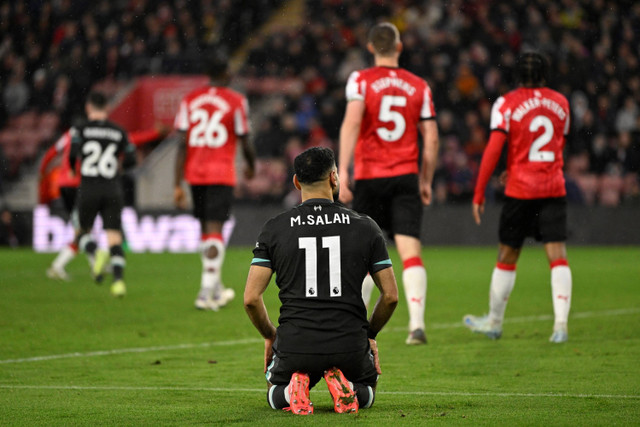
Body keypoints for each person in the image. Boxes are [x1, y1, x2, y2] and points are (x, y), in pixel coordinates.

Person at [244, 147, 398, 415]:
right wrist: (369, 335)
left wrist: (270, 335)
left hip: (295, 344)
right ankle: (349, 386)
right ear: (334, 178)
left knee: (273, 390)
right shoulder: (365, 227)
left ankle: (292, 390)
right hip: (349, 343)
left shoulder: (275, 228)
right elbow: (390, 296)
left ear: (295, 182)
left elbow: (251, 298)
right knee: (368, 388)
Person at [338, 22, 439, 345]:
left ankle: (356, 325)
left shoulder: (361, 80)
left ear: (370, 48)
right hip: (405, 175)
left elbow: (352, 123)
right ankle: (417, 326)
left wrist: (342, 169)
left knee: (365, 256)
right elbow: (432, 139)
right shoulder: (418, 85)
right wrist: (426, 180)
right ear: (399, 47)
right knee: (410, 251)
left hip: (370, 176)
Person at [463, 52, 573, 343]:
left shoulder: (507, 103)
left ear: (517, 76)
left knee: (507, 255)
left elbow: (494, 147)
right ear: (544, 75)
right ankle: (560, 325)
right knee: (557, 256)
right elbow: (556, 145)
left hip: (521, 191)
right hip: (552, 188)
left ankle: (495, 323)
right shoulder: (561, 103)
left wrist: (479, 191)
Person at [174, 55, 256, 311]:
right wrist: (251, 165)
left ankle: (216, 288)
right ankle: (205, 291)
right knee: (215, 231)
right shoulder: (236, 101)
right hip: (220, 172)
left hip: (194, 173)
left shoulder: (190, 99)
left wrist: (177, 184)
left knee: (206, 232)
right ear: (225, 74)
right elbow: (244, 138)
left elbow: (181, 144)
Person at [43, 126, 165, 281]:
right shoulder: (93, 134)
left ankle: (92, 265)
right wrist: (153, 133)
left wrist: (43, 173)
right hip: (80, 185)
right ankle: (63, 266)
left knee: (83, 230)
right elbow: (130, 140)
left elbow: (51, 153)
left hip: (65, 184)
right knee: (82, 231)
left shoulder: (71, 134)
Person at [68, 91, 136, 297]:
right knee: (114, 235)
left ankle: (96, 252)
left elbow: (72, 154)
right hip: (112, 188)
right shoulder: (119, 131)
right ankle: (118, 283)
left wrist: (73, 168)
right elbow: (132, 159)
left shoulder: (80, 129)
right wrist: (121, 166)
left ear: (88, 107)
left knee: (80, 232)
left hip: (89, 187)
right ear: (107, 108)